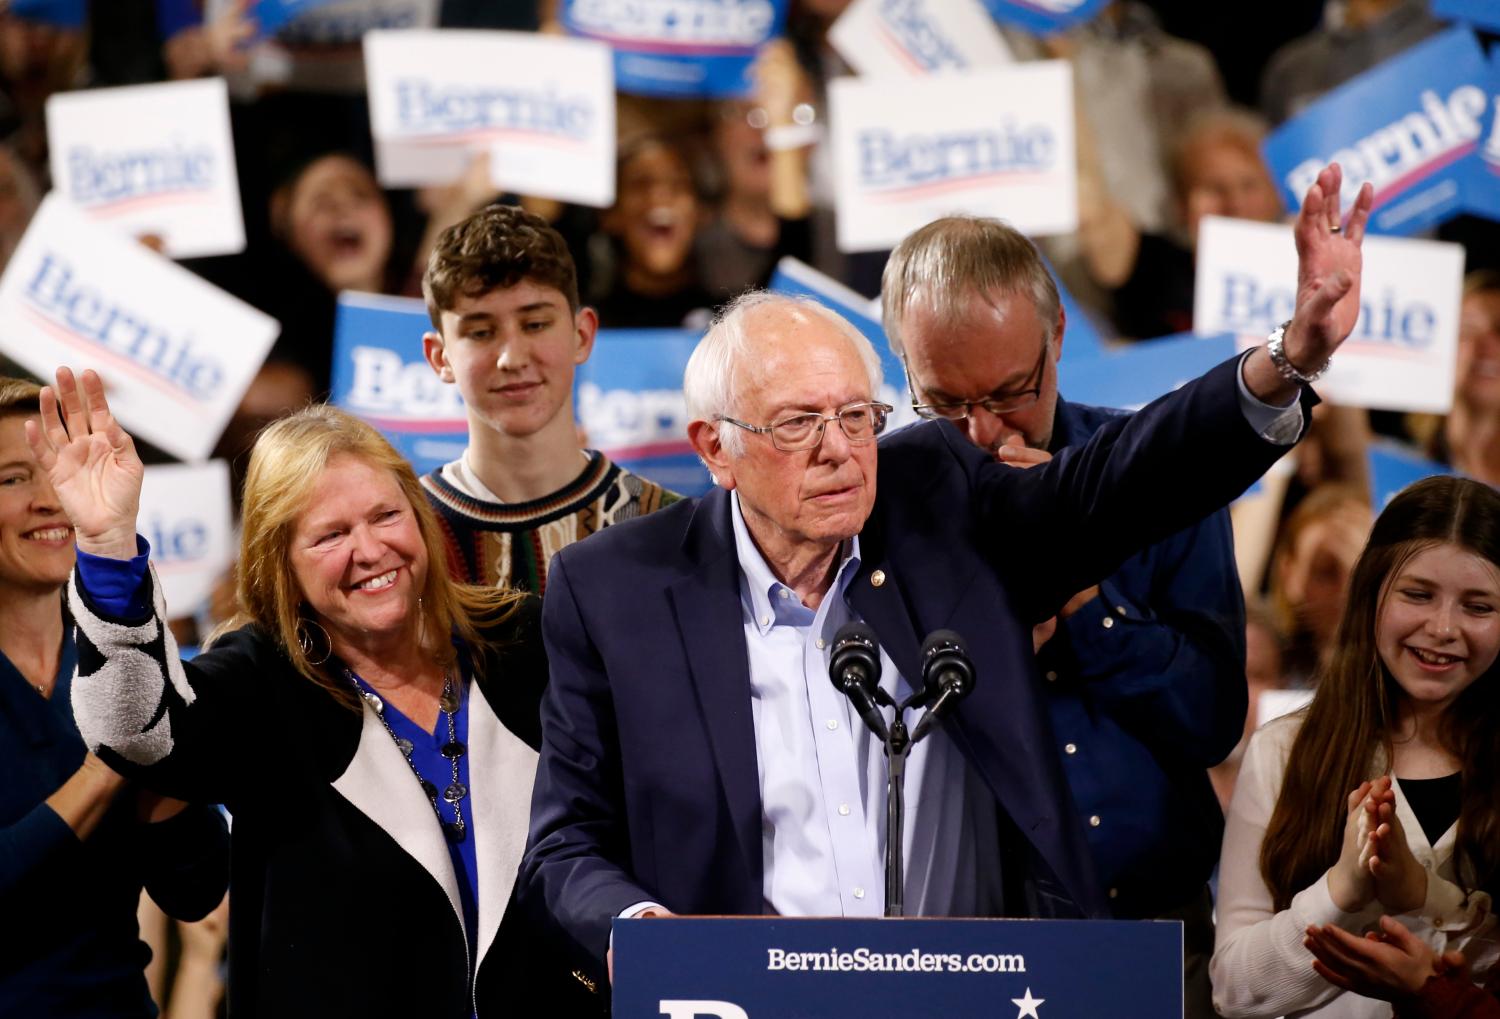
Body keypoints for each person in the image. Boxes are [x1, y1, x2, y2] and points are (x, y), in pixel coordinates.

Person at [522, 165, 1373, 995]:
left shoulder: (934, 500)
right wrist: (641, 932)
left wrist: (1288, 357)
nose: (838, 449)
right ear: (716, 448)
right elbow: (565, 844)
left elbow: (1122, 473)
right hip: (745, 994)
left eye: (856, 417)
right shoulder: (615, 590)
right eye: (797, 424)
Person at [33, 371, 576, 1017]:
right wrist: (106, 545)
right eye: (330, 535)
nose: (371, 550)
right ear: (280, 560)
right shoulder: (262, 681)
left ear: (420, 517)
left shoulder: (526, 641)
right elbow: (135, 734)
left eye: (385, 515)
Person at [881, 213, 1249, 1019]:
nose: (984, 432)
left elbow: (1213, 719)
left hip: (1155, 929)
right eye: (945, 403)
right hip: (958, 946)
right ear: (902, 365)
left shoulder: (1155, 476)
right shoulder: (874, 506)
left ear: (1057, 335)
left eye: (1012, 392)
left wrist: (1084, 594)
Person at [1211, 475, 1500, 1018]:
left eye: (1478, 607)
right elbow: (1235, 988)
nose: (1442, 627)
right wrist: (1342, 888)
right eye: (1417, 595)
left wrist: (1419, 901)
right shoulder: (1285, 749)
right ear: (1370, 595)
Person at [0, 376, 229, 1017]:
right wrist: (113, 761)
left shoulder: (114, 658)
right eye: (14, 478)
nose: (50, 498)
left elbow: (197, 888)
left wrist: (143, 714)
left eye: (59, 469)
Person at [419, 202, 680, 594]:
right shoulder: (407, 535)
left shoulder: (668, 527)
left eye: (535, 324)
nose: (512, 358)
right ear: (440, 357)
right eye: (481, 332)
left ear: (582, 335)